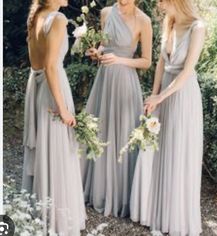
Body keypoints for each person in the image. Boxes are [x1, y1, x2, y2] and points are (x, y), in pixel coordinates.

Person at [130, 0, 205, 235]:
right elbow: (162, 63)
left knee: (177, 151)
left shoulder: (198, 27)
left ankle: (176, 217)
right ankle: (155, 212)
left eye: (162, 0)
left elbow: (186, 71)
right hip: (162, 95)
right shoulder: (169, 23)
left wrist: (160, 97)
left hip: (182, 97)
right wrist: (153, 96)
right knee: (157, 151)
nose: (159, 4)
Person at [80, 0, 153, 217]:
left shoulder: (144, 20)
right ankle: (98, 191)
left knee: (121, 134)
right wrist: (97, 52)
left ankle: (121, 196)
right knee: (100, 129)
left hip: (124, 81)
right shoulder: (105, 12)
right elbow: (105, 46)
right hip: (104, 80)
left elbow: (147, 61)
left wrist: (119, 59)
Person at [21, 0, 86, 234]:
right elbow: (50, 66)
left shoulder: (36, 18)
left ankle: (40, 214)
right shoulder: (57, 19)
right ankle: (57, 221)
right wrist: (63, 108)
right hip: (52, 90)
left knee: (45, 150)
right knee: (57, 151)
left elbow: (37, 64)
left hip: (37, 88)